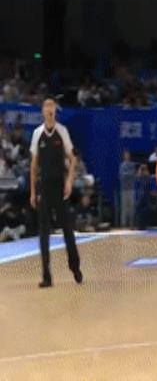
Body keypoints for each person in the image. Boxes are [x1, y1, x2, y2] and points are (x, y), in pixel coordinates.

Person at [30, 96, 83, 288]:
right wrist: (32, 192)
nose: (49, 109)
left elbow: (73, 159)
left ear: (55, 111)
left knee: (67, 230)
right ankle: (46, 276)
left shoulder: (62, 131)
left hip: (60, 186)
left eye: (52, 106)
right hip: (44, 187)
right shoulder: (37, 134)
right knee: (43, 233)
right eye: (46, 106)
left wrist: (69, 181)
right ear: (43, 111)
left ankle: (75, 267)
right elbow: (33, 166)